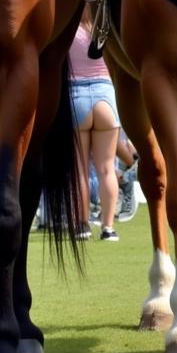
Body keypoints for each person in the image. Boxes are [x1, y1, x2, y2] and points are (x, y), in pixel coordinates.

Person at [69, 13, 121, 241]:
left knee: (79, 169)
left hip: (76, 95)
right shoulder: (106, 30)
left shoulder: (69, 30)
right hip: (106, 96)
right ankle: (108, 227)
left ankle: (82, 224)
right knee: (107, 168)